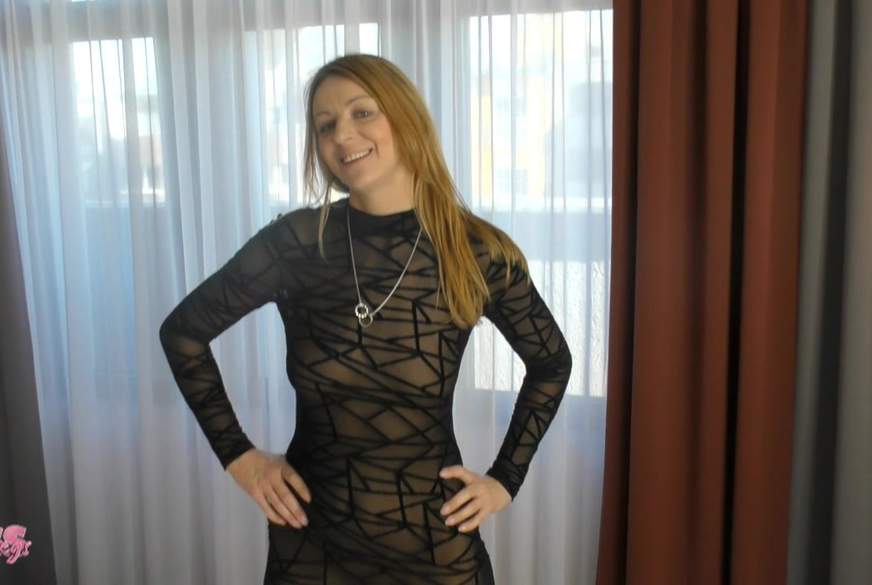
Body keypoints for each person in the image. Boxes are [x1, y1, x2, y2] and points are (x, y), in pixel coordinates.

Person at [159, 53, 573, 584]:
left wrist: (504, 480)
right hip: (311, 547)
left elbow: (551, 362)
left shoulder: (474, 252)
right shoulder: (295, 244)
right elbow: (183, 333)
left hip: (432, 544)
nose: (342, 135)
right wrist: (240, 458)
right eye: (325, 125)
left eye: (362, 112)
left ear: (404, 116)